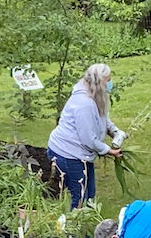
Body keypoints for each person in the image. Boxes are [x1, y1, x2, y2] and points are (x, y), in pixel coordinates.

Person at [47, 64, 121, 208]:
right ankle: (74, 229)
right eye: (108, 80)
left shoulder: (96, 95)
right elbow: (88, 139)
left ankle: (84, 228)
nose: (110, 83)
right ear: (99, 82)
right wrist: (109, 150)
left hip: (81, 153)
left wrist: (115, 132)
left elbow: (102, 118)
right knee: (80, 196)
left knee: (90, 194)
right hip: (68, 153)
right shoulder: (84, 104)